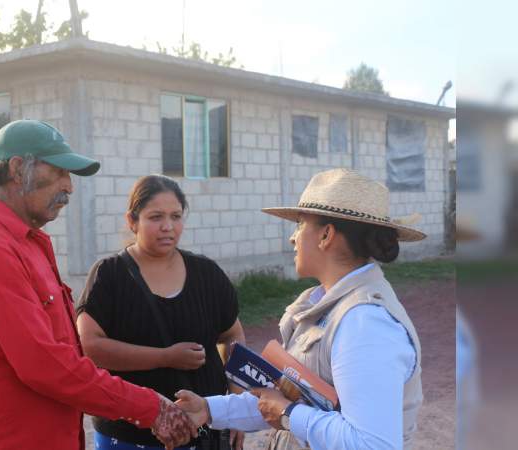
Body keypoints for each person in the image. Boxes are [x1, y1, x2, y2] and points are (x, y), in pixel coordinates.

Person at [0, 120, 197, 450]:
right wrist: (149, 407)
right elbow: (44, 365)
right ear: (18, 169)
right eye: (60, 172)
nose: (69, 187)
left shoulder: (27, 242)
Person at [175, 168, 426, 450]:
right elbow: (285, 397)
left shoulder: (365, 323)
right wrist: (209, 409)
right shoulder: (324, 306)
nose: (292, 238)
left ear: (326, 235)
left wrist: (289, 414)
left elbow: (371, 444)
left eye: (300, 224)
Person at [76, 175, 247, 450]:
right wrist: (165, 357)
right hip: (129, 435)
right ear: (133, 221)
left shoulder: (207, 274)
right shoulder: (109, 275)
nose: (168, 227)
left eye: (176, 216)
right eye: (155, 217)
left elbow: (232, 336)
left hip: (203, 434)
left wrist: (236, 406)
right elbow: (91, 346)